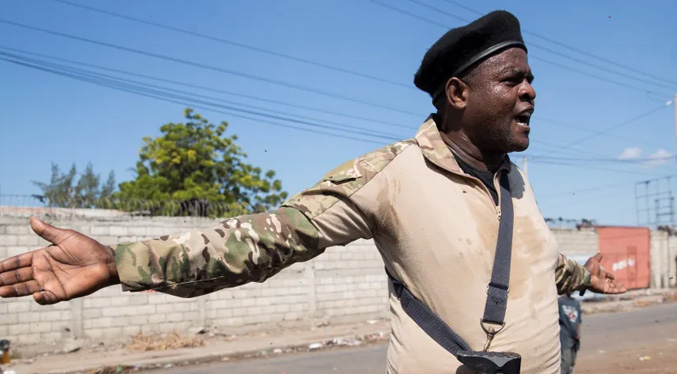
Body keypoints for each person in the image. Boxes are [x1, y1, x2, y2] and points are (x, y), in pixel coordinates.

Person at [0, 10, 625, 374]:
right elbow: (259, 242)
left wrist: (586, 279)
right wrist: (118, 264)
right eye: (513, 79)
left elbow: (542, 265)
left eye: (531, 79)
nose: (531, 91)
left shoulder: (514, 182)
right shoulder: (393, 176)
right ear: (459, 94)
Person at [558, 293, 582, 374]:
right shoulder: (559, 302)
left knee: (572, 363)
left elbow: (578, 320)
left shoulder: (575, 302)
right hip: (564, 337)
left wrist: (578, 333)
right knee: (565, 364)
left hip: (574, 337)